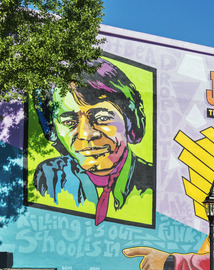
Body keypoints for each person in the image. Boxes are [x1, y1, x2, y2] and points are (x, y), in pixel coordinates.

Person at [32, 58, 153, 225]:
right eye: (69, 122)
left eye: (102, 118)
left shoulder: (151, 185)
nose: (85, 134)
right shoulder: (49, 176)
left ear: (130, 121)